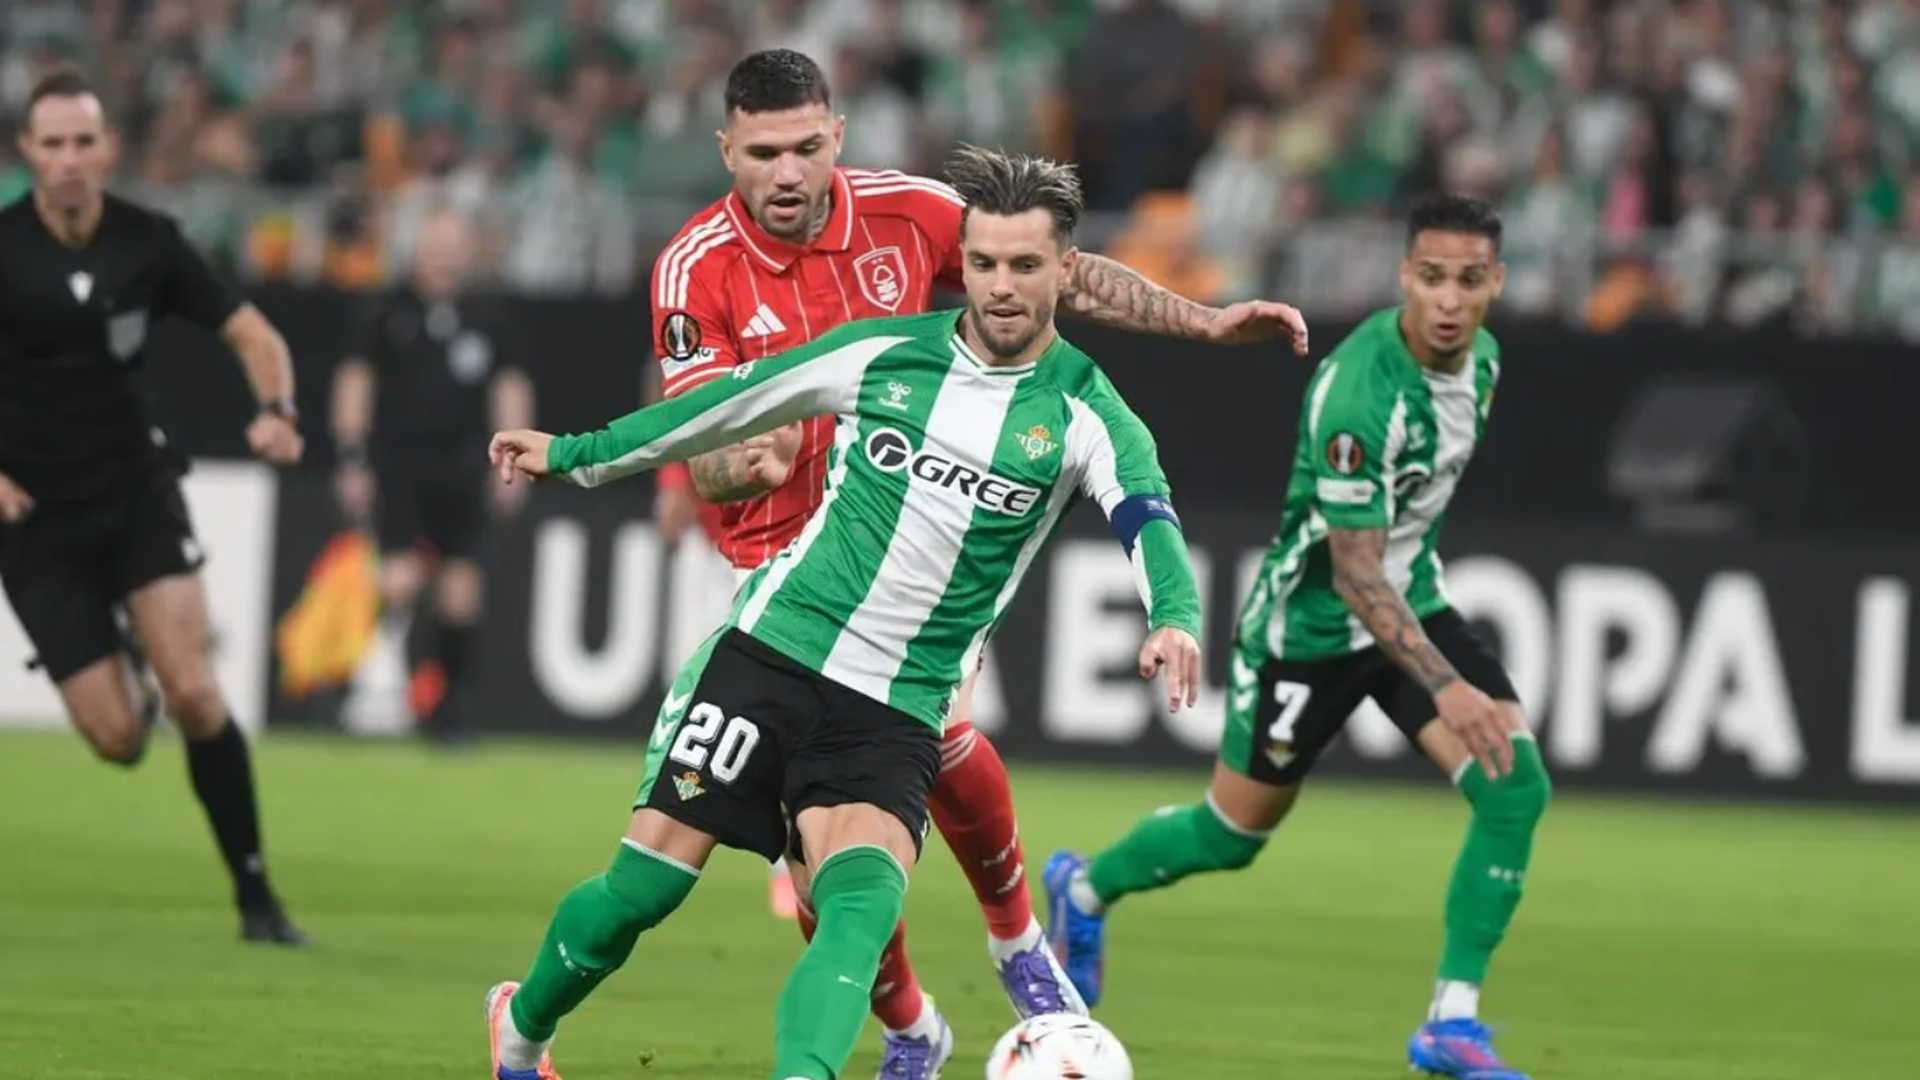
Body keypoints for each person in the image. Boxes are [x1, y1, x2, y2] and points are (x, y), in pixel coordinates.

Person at [643, 47, 1309, 1077]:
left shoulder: (911, 215)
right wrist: (739, 459)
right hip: (780, 576)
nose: (787, 173)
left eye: (806, 148)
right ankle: (913, 1027)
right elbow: (705, 452)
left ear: (838, 139)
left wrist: (1204, 319)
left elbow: (1058, 275)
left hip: (913, 550)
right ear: (728, 148)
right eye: (764, 152)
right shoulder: (695, 270)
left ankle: (1017, 943)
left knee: (937, 724)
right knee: (823, 875)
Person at [482, 146, 1203, 1080]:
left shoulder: (1087, 414)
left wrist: (1174, 614)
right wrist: (577, 454)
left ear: (1067, 269)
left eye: (1026, 266)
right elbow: (723, 409)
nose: (1001, 286)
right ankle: (522, 1030)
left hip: (897, 708)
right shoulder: (884, 353)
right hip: (772, 653)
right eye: (983, 263)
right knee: (640, 894)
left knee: (856, 920)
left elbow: (1148, 517)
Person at [1045, 193, 1548, 1080]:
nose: (1447, 299)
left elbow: (1398, 548)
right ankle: (1083, 889)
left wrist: (1438, 661)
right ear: (1405, 277)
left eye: (1468, 281)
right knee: (1234, 833)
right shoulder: (1362, 391)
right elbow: (1355, 573)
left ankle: (1451, 1024)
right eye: (1431, 277)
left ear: (1494, 285)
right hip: (1308, 628)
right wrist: (1448, 683)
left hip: (1407, 600)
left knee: (1515, 786)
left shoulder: (1487, 366)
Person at [0, 69, 308, 945]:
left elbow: (253, 333)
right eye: (50, 144)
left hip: (135, 491)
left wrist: (277, 411)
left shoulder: (147, 242)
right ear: (28, 153)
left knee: (198, 694)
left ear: (107, 148)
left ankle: (256, 898)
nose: (67, 159)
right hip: (33, 521)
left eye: (81, 142)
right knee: (118, 737)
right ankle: (124, 672)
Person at [331, 209, 533, 747]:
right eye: (434, 246)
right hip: (398, 468)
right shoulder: (383, 310)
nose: (443, 258)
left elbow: (509, 389)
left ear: (467, 254)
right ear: (415, 251)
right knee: (396, 579)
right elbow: (355, 384)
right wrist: (352, 457)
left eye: (453, 247)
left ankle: (451, 709)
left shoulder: (489, 317)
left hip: (464, 469)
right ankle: (367, 688)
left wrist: (515, 460)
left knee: (461, 590)